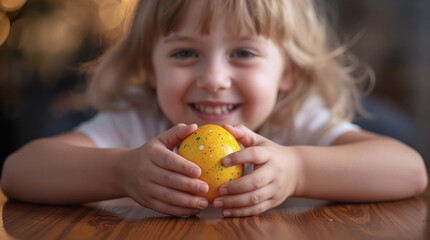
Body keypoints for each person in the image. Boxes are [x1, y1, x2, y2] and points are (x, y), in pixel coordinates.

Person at [1, 0, 427, 218]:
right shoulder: (138, 122)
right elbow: (20, 170)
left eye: (243, 52)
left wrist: (298, 169)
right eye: (185, 53)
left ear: (288, 73)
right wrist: (121, 171)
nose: (213, 78)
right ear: (150, 67)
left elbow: (409, 169)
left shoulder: (295, 121)